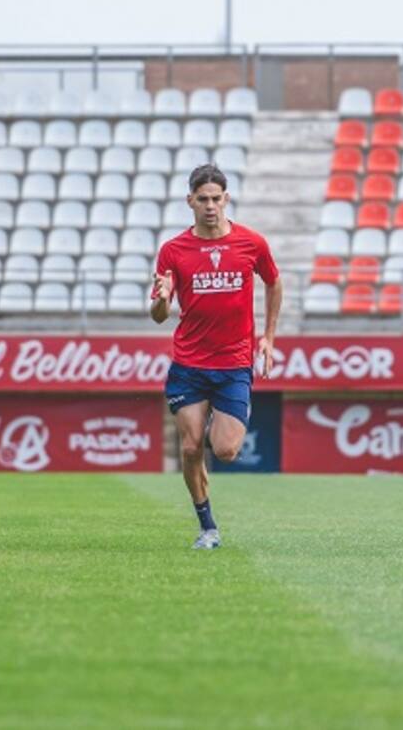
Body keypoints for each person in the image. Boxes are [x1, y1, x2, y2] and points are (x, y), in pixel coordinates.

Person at [150, 163, 282, 549]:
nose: (210, 205)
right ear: (190, 201)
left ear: (226, 199)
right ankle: (208, 526)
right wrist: (160, 299)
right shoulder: (173, 251)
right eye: (202, 199)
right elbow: (159, 315)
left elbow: (274, 282)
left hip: (233, 365)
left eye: (216, 198)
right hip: (189, 364)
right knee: (191, 447)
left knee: (224, 450)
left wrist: (269, 337)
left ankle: (223, 416)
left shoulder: (251, 243)